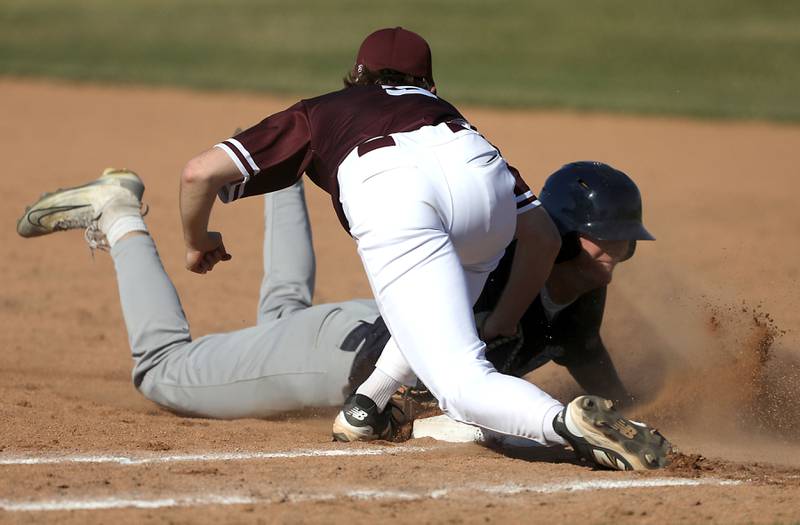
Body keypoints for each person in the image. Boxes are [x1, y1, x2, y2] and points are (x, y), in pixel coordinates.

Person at [173, 27, 671, 470]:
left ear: (357, 77)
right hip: (482, 191)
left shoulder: (322, 111)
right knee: (437, 310)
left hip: (396, 195)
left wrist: (198, 243)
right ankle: (368, 405)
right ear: (428, 84)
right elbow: (540, 235)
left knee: (461, 378)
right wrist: (503, 319)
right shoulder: (444, 113)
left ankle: (564, 423)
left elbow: (199, 173)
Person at [16, 170, 383, 418]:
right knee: (161, 368)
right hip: (349, 355)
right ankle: (117, 213)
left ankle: (280, 177)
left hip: (367, 322)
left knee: (286, 320)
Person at [347, 161, 653, 435]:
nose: (618, 247)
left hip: (377, 320)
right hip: (349, 346)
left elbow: (589, 358)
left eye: (626, 238)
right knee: (295, 318)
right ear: (564, 235)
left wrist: (629, 413)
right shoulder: (491, 270)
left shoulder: (584, 297)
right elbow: (378, 356)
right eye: (605, 236)